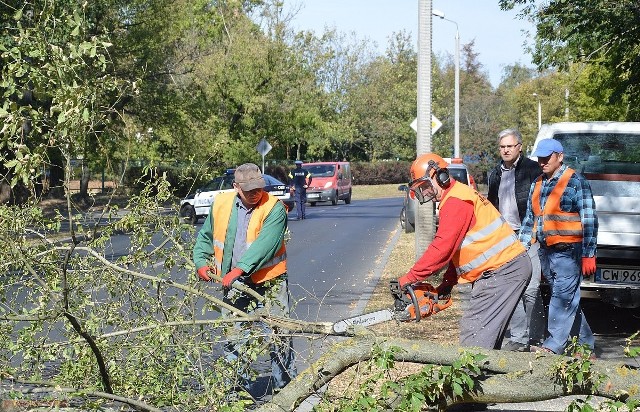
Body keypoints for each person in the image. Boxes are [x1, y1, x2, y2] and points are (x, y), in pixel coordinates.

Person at [397, 153, 532, 350]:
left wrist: (410, 277)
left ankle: (471, 377)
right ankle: (489, 377)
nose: (425, 193)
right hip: (504, 269)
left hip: (503, 270)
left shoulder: (457, 200)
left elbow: (443, 248)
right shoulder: (456, 197)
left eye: (425, 186)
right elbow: (457, 249)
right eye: (420, 189)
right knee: (485, 338)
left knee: (474, 337)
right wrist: (448, 282)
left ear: (441, 176)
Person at [192, 163, 296, 395]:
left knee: (278, 335)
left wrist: (239, 269)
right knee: (236, 337)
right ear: (236, 186)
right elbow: (206, 237)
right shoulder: (221, 204)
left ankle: (286, 388)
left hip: (270, 283)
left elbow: (264, 246)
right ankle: (238, 391)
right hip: (235, 284)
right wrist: (200, 262)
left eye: (258, 187)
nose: (255, 193)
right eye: (248, 189)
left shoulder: (274, 208)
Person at [519, 139, 598, 357]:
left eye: (547, 157)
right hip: (547, 252)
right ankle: (586, 347)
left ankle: (553, 346)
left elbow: (589, 220)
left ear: (560, 156)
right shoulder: (537, 183)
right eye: (540, 157)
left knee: (561, 298)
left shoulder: (575, 181)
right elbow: (529, 221)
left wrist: (589, 254)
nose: (542, 161)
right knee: (567, 300)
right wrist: (519, 250)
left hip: (569, 252)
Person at [487, 129, 545, 352]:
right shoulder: (495, 174)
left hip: (530, 236)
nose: (506, 150)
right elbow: (492, 208)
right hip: (505, 238)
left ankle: (536, 337)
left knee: (531, 290)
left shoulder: (532, 169)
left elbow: (540, 203)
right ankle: (519, 338)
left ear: (520, 146)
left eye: (510, 146)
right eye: (502, 147)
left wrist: (536, 233)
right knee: (514, 289)